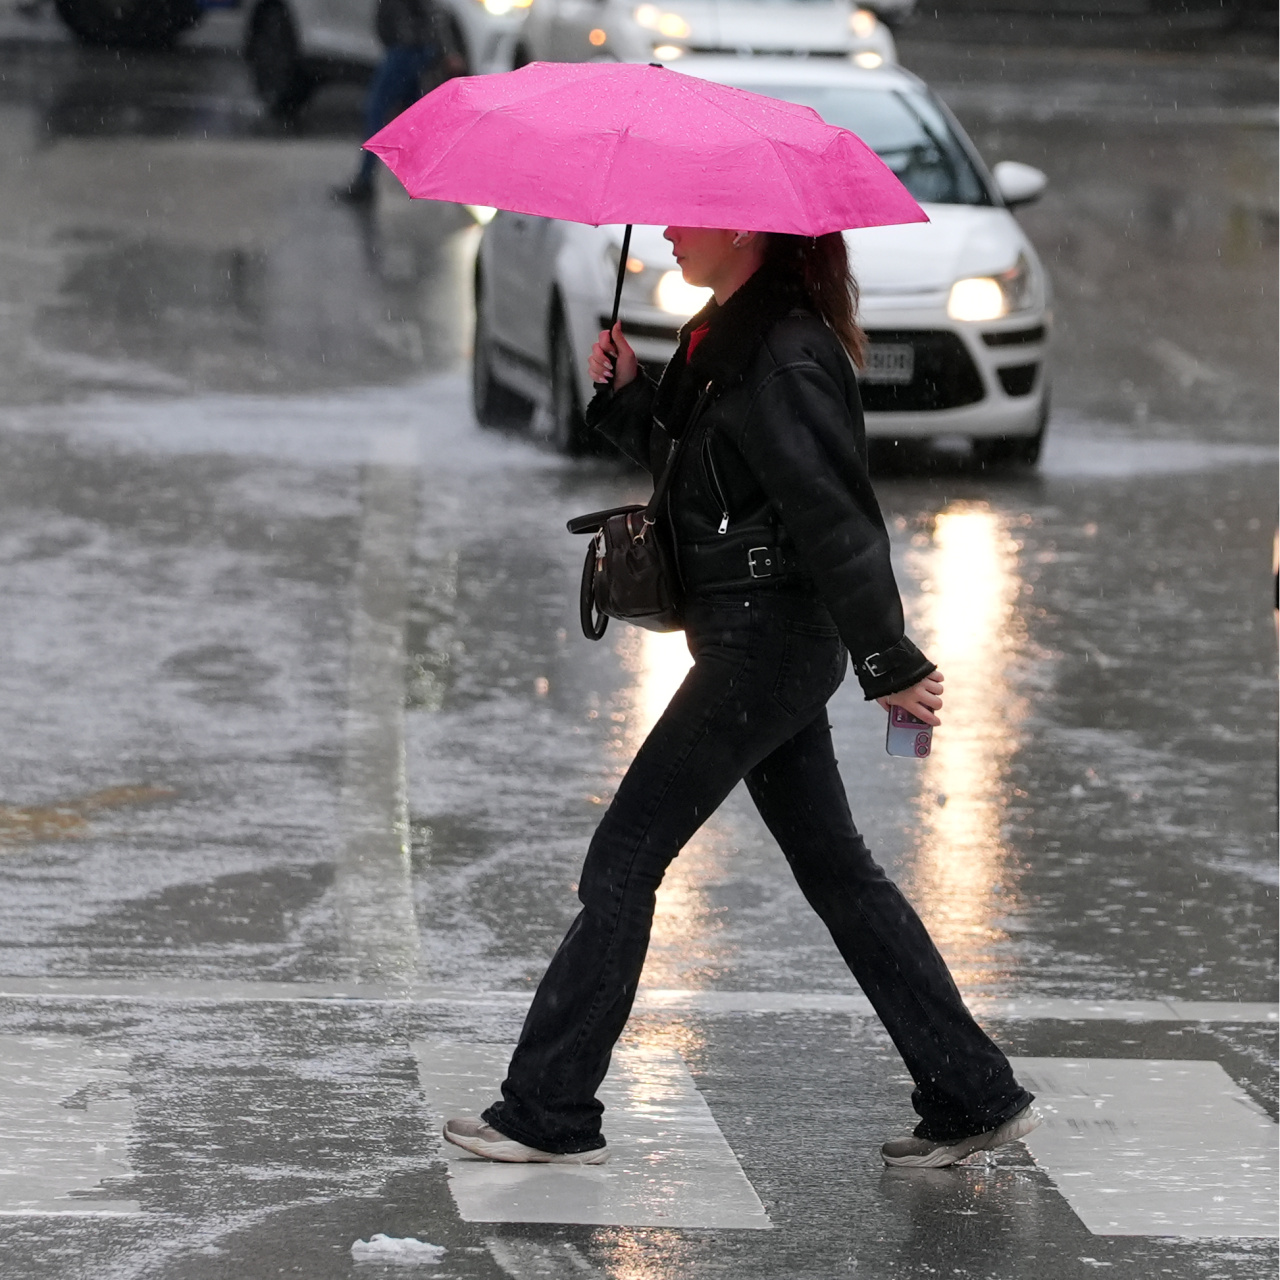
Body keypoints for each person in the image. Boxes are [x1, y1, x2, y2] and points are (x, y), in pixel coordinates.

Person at [443, 226, 1039, 1169]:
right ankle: (972, 1092)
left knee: (625, 858)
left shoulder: (784, 353)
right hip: (750, 639)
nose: (672, 229)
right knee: (838, 873)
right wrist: (630, 396)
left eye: (689, 217)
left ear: (747, 230)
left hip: (767, 645)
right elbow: (702, 483)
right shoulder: (721, 336)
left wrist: (890, 662)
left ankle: (550, 1109)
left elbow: (835, 516)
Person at [333, 0, 442, 205]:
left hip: (407, 47)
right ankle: (447, 171)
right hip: (412, 45)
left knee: (377, 110)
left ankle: (365, 180)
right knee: (418, 114)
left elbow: (428, 11)